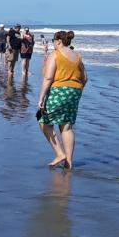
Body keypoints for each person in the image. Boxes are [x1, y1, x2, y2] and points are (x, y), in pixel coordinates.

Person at [36, 30, 87, 169]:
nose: (53, 44)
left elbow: (47, 77)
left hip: (59, 91)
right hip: (75, 91)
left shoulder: (56, 54)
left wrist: (41, 98)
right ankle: (68, 163)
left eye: (53, 41)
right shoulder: (77, 56)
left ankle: (60, 153)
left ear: (58, 41)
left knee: (44, 122)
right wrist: (76, 92)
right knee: (66, 125)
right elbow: (85, 78)